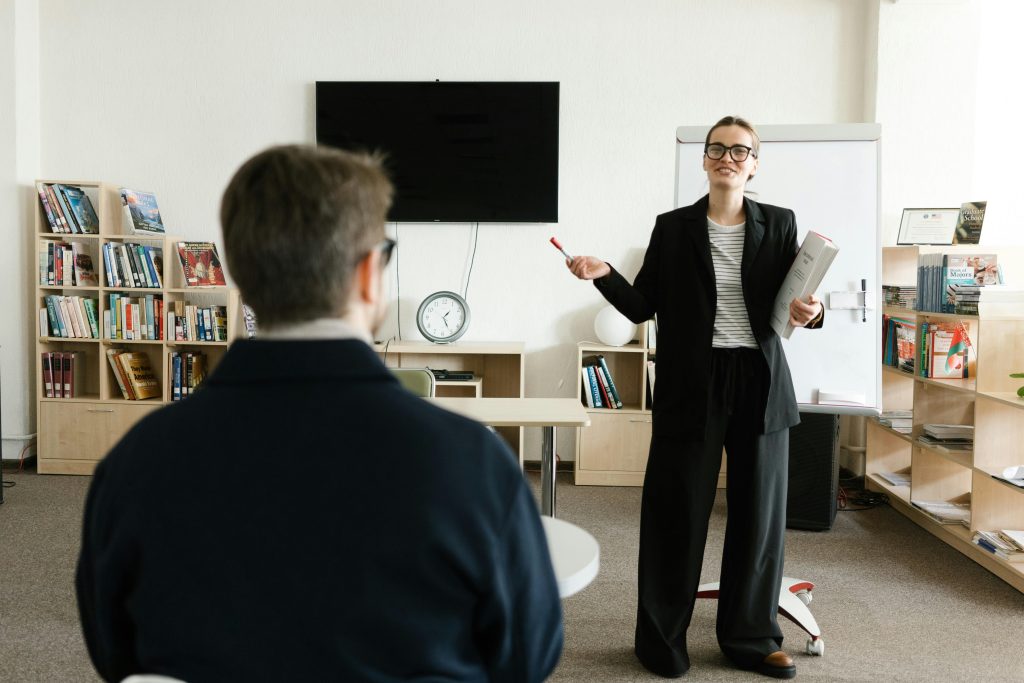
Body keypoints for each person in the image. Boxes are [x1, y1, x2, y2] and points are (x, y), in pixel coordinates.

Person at [76, 145, 563, 682]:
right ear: (368, 274)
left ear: (240, 271)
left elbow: (115, 654)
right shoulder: (476, 463)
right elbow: (527, 660)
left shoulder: (137, 462)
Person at [567, 116, 823, 680]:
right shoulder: (673, 227)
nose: (728, 158)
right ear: (704, 161)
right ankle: (661, 642)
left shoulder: (780, 224)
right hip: (691, 382)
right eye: (717, 149)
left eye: (740, 151)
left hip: (759, 380)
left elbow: (798, 302)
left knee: (758, 518)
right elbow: (641, 306)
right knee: (676, 513)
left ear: (754, 163)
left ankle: (751, 639)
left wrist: (815, 311)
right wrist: (603, 273)